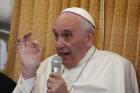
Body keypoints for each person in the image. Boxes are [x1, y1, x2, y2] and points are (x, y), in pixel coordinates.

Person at [13, 7, 139, 93]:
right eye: (56, 35)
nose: (58, 44)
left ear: (89, 38)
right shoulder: (44, 65)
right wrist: (28, 73)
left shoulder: (117, 67)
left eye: (67, 35)